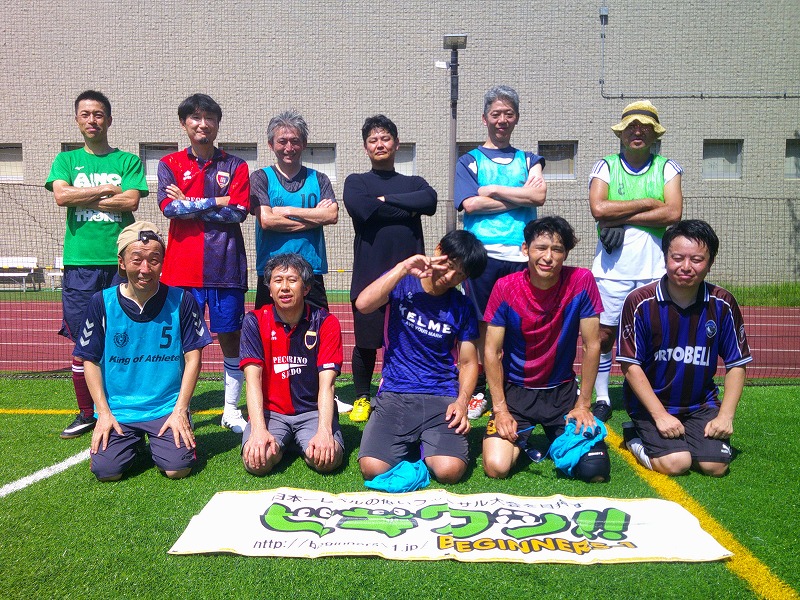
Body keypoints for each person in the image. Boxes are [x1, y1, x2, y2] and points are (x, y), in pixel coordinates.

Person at [45, 90, 148, 439]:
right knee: (83, 341)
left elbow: (130, 200)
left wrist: (84, 195)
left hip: (121, 264)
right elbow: (61, 196)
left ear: (109, 119)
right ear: (77, 119)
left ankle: (124, 405)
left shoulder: (127, 161)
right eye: (86, 114)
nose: (92, 120)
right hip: (81, 264)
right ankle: (86, 413)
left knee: (125, 336)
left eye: (99, 114)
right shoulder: (66, 160)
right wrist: (106, 189)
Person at [74, 222, 211, 481]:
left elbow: (193, 358)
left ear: (162, 262)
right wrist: (103, 413)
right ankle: (133, 442)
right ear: (122, 262)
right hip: (119, 410)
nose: (145, 269)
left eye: (154, 260)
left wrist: (180, 409)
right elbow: (89, 361)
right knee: (106, 472)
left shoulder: (182, 300)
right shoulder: (101, 302)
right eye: (136, 260)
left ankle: (168, 431)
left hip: (165, 408)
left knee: (177, 469)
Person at [617, 220, 752, 477]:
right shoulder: (639, 302)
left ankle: (686, 438)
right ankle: (634, 436)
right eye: (677, 258)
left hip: (699, 404)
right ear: (665, 258)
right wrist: (660, 416)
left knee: (715, 467)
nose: (686, 267)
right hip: (651, 405)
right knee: (677, 463)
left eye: (697, 259)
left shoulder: (722, 303)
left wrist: (726, 416)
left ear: (710, 263)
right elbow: (629, 365)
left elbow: (736, 363)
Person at [482, 216, 610, 483]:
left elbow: (592, 344)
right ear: (525, 249)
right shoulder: (505, 287)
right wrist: (501, 409)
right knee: (496, 467)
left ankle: (555, 438)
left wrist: (584, 405)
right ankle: (528, 441)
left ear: (566, 254)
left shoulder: (581, 280)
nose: (548, 257)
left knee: (594, 470)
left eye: (557, 249)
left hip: (562, 394)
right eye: (541, 248)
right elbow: (492, 351)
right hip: (516, 394)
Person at [356, 230, 487, 484]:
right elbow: (363, 304)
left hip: (442, 396)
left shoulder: (462, 306)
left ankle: (427, 444)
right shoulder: (402, 283)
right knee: (372, 468)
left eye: (460, 275)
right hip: (396, 392)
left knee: (449, 471)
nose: (450, 277)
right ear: (438, 251)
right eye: (449, 266)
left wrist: (462, 402)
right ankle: (418, 446)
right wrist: (403, 268)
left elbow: (469, 362)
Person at [157, 93, 250, 433]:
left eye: (209, 118)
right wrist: (217, 200)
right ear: (184, 123)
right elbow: (170, 208)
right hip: (182, 272)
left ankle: (231, 410)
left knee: (231, 338)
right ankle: (181, 409)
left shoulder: (236, 165)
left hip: (226, 269)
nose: (203, 124)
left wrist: (192, 203)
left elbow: (238, 212)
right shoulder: (169, 163)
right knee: (181, 342)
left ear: (217, 124)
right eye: (195, 118)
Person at [453, 85, 547, 420]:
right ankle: (483, 389)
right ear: (485, 118)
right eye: (496, 114)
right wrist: (519, 195)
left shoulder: (530, 160)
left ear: (516, 118)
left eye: (508, 113)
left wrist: (492, 189)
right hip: (482, 256)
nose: (502, 120)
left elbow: (538, 197)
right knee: (483, 325)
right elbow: (470, 204)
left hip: (522, 255)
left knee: (520, 324)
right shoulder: (469, 161)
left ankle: (516, 386)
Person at [589, 100, 683, 423]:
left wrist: (620, 216)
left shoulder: (668, 167)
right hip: (610, 271)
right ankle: (603, 396)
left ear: (655, 134)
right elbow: (598, 209)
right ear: (621, 133)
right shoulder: (605, 166)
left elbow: (673, 212)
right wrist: (648, 203)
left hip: (653, 270)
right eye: (631, 126)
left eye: (645, 127)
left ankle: (648, 395)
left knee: (652, 336)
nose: (637, 132)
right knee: (603, 336)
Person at [343, 115, 438, 422]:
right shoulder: (356, 182)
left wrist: (384, 201)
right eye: (373, 140)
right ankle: (362, 396)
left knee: (409, 338)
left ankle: (404, 390)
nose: (380, 144)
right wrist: (408, 208)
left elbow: (430, 200)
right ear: (366, 147)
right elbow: (362, 209)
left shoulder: (415, 183)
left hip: (411, 278)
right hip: (369, 275)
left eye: (385, 138)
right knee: (366, 343)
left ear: (396, 144)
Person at [240, 253, 344, 475]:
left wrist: (324, 431)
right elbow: (252, 381)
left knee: (327, 460)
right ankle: (286, 444)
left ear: (306, 288)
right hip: (272, 413)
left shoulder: (326, 322)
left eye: (292, 280)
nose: (284, 287)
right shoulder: (254, 321)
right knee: (257, 463)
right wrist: (258, 430)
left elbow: (328, 385)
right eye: (278, 281)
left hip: (312, 412)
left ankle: (300, 442)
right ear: (270, 290)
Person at [250, 110, 338, 311]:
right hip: (271, 273)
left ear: (304, 144)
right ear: (271, 144)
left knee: (317, 328)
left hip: (311, 272)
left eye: (295, 141)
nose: (289, 148)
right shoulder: (260, 177)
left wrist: (288, 210)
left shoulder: (319, 179)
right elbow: (267, 221)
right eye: (282, 141)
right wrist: (315, 218)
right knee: (268, 329)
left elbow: (331, 215)